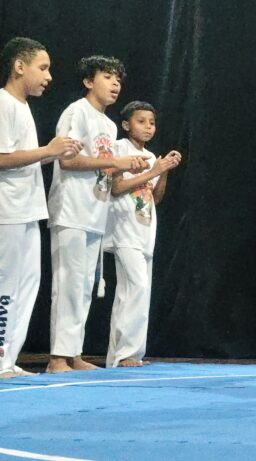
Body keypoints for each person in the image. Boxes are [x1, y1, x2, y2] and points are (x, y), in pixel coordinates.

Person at [47, 55, 147, 373]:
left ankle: (73, 353)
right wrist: (116, 162)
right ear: (89, 81)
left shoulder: (108, 124)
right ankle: (57, 358)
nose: (115, 83)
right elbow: (66, 159)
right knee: (68, 283)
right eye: (107, 76)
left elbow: (103, 167)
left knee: (84, 286)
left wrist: (126, 167)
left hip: (95, 212)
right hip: (71, 209)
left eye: (118, 78)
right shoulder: (77, 112)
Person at [0, 37, 81, 378]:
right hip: (7, 210)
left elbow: (22, 159)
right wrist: (49, 150)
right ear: (19, 66)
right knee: (5, 287)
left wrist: (54, 154)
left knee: (28, 285)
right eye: (43, 68)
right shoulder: (3, 102)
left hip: (28, 209)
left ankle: (7, 360)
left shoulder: (22, 107)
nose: (49, 77)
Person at [103, 101, 181, 368]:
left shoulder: (149, 156)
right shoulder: (119, 149)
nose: (148, 127)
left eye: (152, 122)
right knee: (135, 287)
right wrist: (155, 170)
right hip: (124, 229)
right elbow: (116, 187)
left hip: (145, 231)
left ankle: (126, 355)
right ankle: (125, 353)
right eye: (141, 121)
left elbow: (155, 198)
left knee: (136, 291)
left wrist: (163, 171)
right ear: (126, 125)